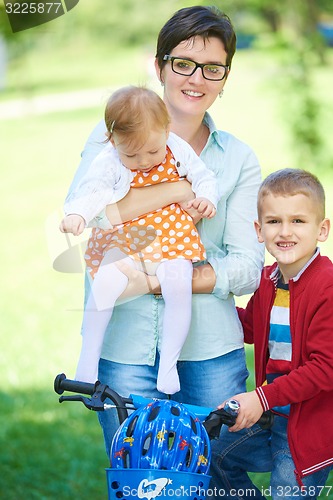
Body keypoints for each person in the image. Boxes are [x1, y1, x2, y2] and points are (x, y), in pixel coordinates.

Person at [64, 4, 264, 478]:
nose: (196, 78)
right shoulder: (110, 134)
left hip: (210, 351)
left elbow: (246, 266)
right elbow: (90, 212)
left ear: (224, 77)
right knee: (141, 478)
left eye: (212, 68)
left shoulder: (237, 159)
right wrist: (175, 191)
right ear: (159, 67)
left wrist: (155, 279)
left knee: (220, 476)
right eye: (182, 63)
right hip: (124, 349)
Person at [60, 85, 218, 394]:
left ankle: (169, 364)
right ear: (113, 140)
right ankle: (87, 362)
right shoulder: (108, 159)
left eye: (152, 151)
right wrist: (78, 214)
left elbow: (203, 176)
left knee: (178, 284)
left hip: (171, 236)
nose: (144, 160)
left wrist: (206, 198)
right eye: (131, 154)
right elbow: (92, 190)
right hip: (127, 240)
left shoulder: (176, 146)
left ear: (165, 129)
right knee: (105, 281)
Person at [210, 169, 333, 499]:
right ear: (259, 230)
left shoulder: (327, 286)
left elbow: (325, 367)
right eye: (274, 221)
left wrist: (260, 398)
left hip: (310, 426)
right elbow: (251, 327)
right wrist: (207, 309)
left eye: (298, 221)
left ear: (322, 229)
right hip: (272, 414)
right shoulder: (268, 281)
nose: (285, 231)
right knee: (213, 456)